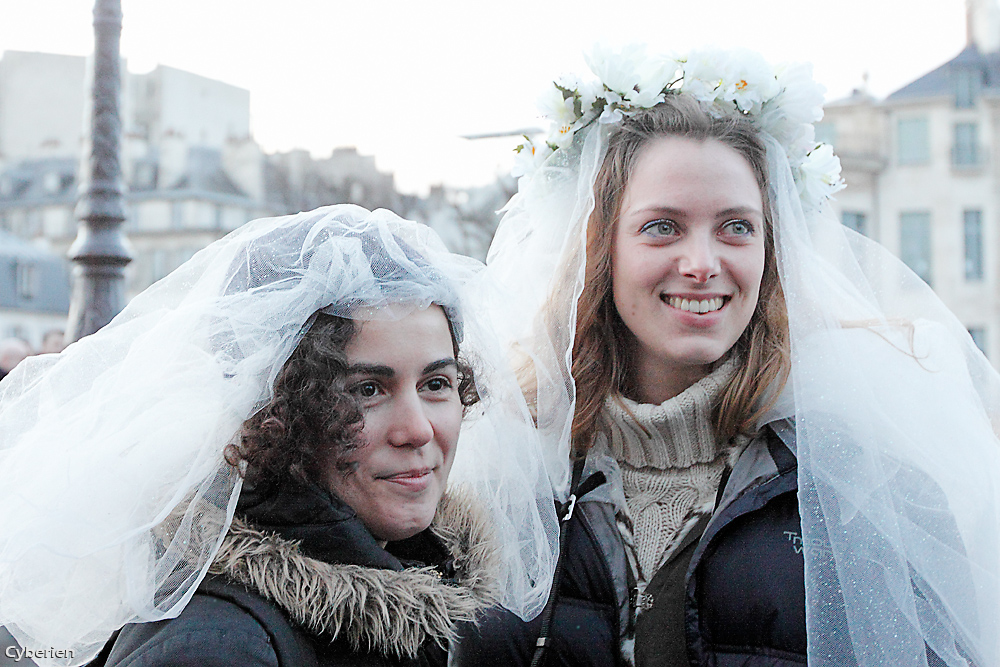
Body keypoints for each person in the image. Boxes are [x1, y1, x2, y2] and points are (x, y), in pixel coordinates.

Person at [458, 46, 1000, 666]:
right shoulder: (512, 474)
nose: (702, 263)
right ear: (599, 247)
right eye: (662, 226)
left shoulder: (866, 494)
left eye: (736, 226)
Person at [0, 206, 557, 667]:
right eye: (366, 390)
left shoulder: (446, 596)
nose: (417, 429)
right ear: (280, 412)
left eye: (437, 383)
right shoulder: (214, 648)